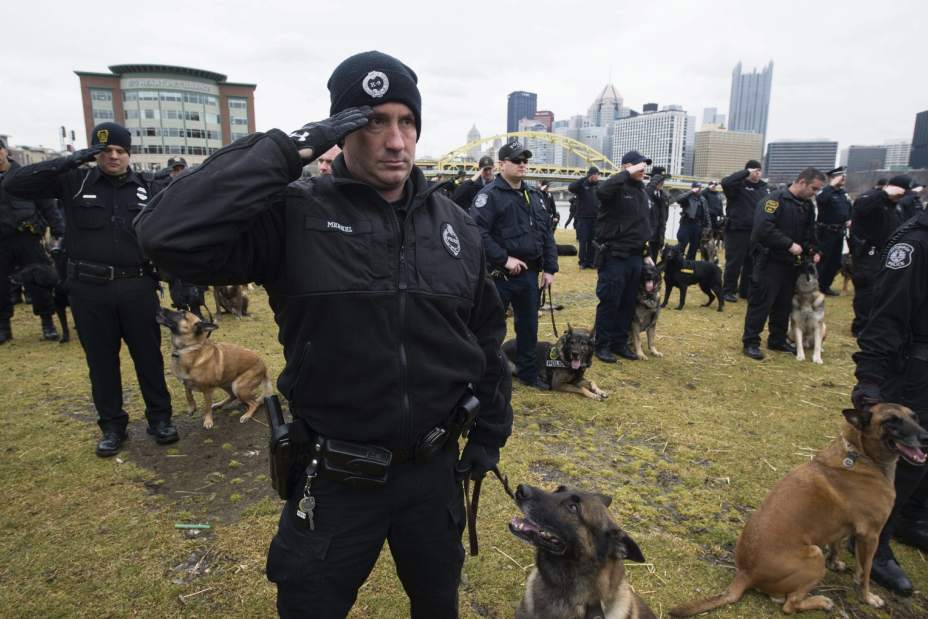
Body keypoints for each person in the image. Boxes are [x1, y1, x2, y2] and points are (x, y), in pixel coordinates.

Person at [134, 51, 513, 618]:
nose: (394, 140)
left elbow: (484, 338)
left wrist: (488, 435)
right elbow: (165, 235)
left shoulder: (455, 228)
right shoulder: (293, 217)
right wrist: (288, 150)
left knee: (438, 604)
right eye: (372, 121)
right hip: (336, 477)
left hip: (433, 473)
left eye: (406, 122)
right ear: (339, 131)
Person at [2, 122, 177, 456]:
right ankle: (112, 426)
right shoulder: (74, 181)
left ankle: (160, 419)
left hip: (137, 284)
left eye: (119, 151)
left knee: (148, 358)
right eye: (105, 151)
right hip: (89, 288)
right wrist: (73, 159)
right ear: (95, 153)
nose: (113, 157)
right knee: (101, 362)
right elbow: (15, 183)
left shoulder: (146, 186)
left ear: (128, 154)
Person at [852, 206, 928, 595]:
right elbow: (885, 315)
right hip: (914, 364)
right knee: (908, 457)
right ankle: (874, 545)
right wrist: (870, 379)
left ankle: (914, 520)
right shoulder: (914, 243)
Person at [473, 141, 557, 389]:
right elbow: (476, 232)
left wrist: (550, 268)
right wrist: (504, 259)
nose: (522, 165)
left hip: (529, 275)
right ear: (502, 164)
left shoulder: (534, 196)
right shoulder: (489, 196)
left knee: (529, 327)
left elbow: (546, 234)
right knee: (490, 327)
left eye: (525, 161)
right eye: (516, 160)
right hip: (499, 275)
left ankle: (528, 373)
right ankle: (486, 375)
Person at [742, 168, 824, 360]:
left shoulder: (807, 205)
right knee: (762, 302)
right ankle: (751, 341)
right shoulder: (775, 200)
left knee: (784, 304)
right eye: (814, 188)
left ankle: (777, 339)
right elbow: (763, 228)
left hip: (792, 264)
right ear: (802, 182)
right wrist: (788, 244)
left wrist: (814, 249)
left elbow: (809, 231)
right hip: (769, 260)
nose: (815, 193)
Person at [0, 137, 66, 343]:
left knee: (39, 282)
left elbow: (47, 205)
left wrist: (58, 230)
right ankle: (3, 326)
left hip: (28, 237)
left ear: (5, 151)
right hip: (2, 241)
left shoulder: (24, 175)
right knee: (1, 285)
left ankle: (47, 323)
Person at [592, 150, 654, 363]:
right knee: (610, 301)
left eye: (644, 166)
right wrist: (627, 173)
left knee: (628, 303)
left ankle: (620, 343)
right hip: (614, 255)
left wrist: (647, 254)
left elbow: (644, 226)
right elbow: (602, 191)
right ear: (625, 166)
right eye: (638, 165)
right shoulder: (616, 188)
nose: (643, 169)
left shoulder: (642, 192)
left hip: (635, 257)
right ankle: (602, 345)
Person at [848, 176, 910, 336]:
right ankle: (861, 326)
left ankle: (872, 323)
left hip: (885, 253)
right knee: (867, 291)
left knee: (880, 290)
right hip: (868, 253)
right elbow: (861, 206)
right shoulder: (872, 198)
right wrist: (885, 193)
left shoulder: (893, 206)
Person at [721, 160, 768, 302]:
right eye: (755, 170)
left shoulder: (763, 188)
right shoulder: (737, 186)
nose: (757, 173)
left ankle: (745, 290)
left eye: (759, 171)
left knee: (752, 263)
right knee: (734, 262)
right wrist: (746, 172)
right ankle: (728, 290)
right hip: (737, 230)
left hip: (755, 231)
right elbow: (726, 183)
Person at [815, 166, 852, 296]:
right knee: (823, 260)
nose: (843, 179)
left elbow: (849, 209)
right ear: (833, 178)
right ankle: (816, 286)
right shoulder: (825, 192)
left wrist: (849, 220)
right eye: (841, 176)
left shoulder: (843, 194)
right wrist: (831, 186)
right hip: (826, 232)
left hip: (839, 232)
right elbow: (821, 200)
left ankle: (825, 286)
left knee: (835, 262)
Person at [568, 166, 602, 268]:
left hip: (595, 218)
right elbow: (571, 187)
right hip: (583, 218)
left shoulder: (599, 187)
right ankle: (582, 262)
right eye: (595, 174)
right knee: (583, 241)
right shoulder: (581, 186)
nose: (597, 176)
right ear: (590, 175)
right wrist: (585, 178)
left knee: (593, 241)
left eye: (598, 174)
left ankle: (591, 262)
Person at [675, 182, 710, 260]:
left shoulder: (703, 199)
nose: (699, 189)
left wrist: (708, 226)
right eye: (697, 187)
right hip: (686, 224)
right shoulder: (687, 197)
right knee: (682, 244)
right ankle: (678, 262)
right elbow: (678, 199)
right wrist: (691, 192)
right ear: (693, 187)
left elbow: (706, 213)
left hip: (697, 225)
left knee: (694, 247)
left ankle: (689, 263)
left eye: (700, 188)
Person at [645, 173, 670, 261]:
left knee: (654, 257)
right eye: (660, 182)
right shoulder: (646, 193)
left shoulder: (664, 196)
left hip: (659, 231)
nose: (662, 184)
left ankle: (652, 273)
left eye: (663, 182)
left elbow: (665, 214)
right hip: (647, 230)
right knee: (645, 256)